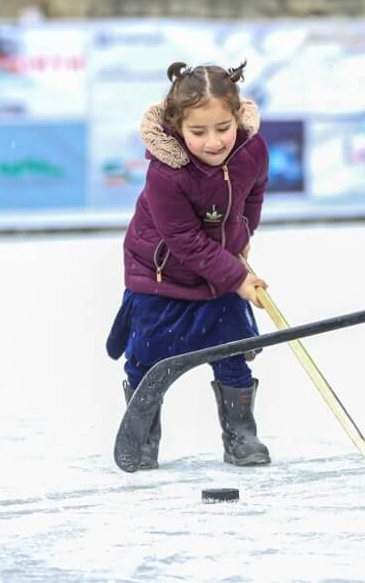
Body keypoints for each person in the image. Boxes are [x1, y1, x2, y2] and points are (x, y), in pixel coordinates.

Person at [106, 61, 272, 470]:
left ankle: (241, 435)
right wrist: (238, 278)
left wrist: (242, 236)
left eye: (223, 128)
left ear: (237, 117)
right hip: (162, 277)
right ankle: (142, 435)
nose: (214, 142)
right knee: (148, 358)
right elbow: (184, 240)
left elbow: (254, 193)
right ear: (177, 126)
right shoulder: (166, 173)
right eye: (198, 132)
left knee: (231, 349)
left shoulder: (252, 150)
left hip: (218, 280)